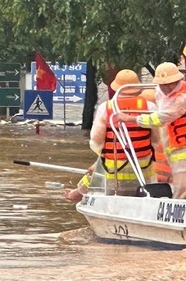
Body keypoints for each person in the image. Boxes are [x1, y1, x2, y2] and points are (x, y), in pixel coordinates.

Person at [64, 69, 161, 201]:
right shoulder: (149, 107)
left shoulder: (106, 108)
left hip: (114, 170)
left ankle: (79, 192)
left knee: (101, 162)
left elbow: (96, 141)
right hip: (143, 168)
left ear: (116, 88)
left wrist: (102, 153)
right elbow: (156, 139)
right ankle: (79, 191)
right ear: (138, 88)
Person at [114, 61, 186, 197]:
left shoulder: (182, 99)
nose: (165, 87)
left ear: (177, 81)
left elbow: (159, 118)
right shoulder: (161, 91)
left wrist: (130, 119)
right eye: (162, 84)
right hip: (174, 148)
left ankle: (182, 206)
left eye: (169, 83)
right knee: (179, 184)